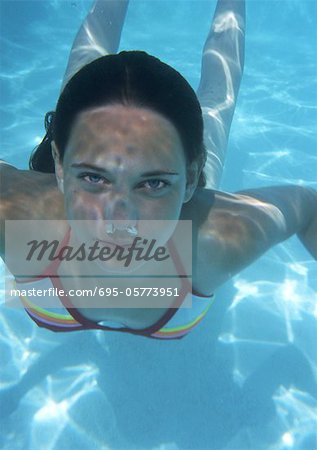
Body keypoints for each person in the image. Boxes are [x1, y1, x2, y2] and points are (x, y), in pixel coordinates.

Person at [0, 0, 316, 341]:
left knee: (215, 102)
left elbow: (308, 207)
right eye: (94, 177)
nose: (120, 221)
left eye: (152, 183)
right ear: (59, 168)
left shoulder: (215, 241)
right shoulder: (18, 218)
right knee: (83, 80)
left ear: (192, 178)